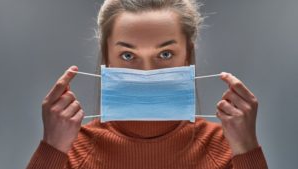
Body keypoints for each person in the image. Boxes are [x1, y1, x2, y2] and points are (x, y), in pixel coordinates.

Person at [27, 0, 268, 168]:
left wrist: (247, 148)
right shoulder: (70, 150)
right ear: (106, 57)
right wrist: (51, 148)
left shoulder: (226, 148)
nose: (147, 72)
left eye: (165, 54)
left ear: (187, 55)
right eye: (128, 56)